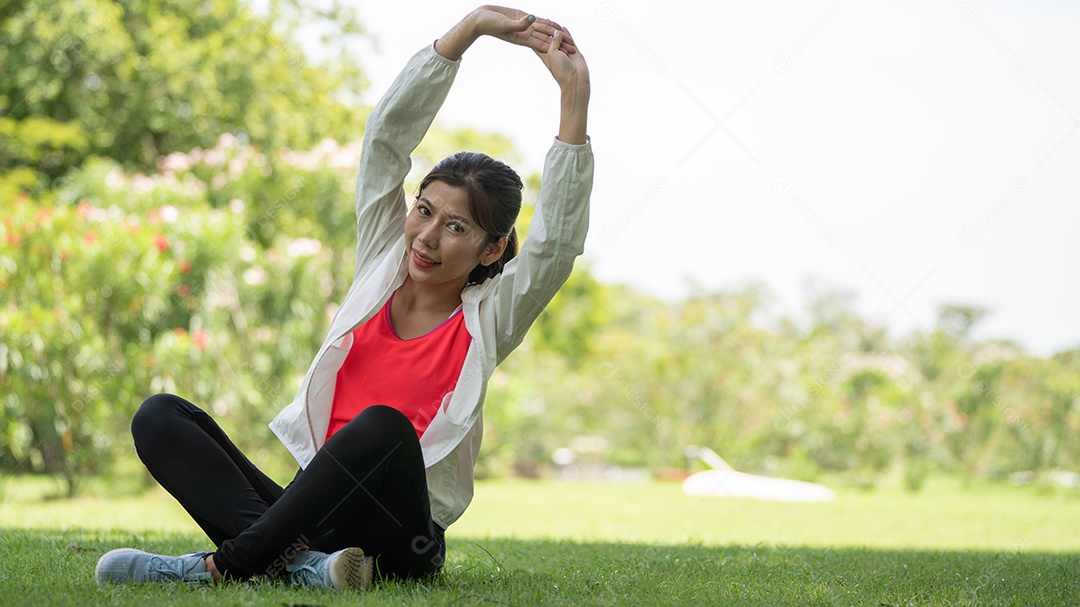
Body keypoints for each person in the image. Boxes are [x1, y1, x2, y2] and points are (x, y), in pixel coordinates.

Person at [94, 5, 592, 590]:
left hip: (402, 539)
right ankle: (304, 567)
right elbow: (385, 142)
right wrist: (470, 29)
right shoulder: (381, 265)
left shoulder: (492, 315)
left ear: (491, 249)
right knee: (161, 417)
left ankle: (220, 568)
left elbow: (556, 243)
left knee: (382, 426)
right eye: (424, 211)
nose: (427, 237)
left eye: (456, 227)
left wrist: (573, 97)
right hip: (319, 521)